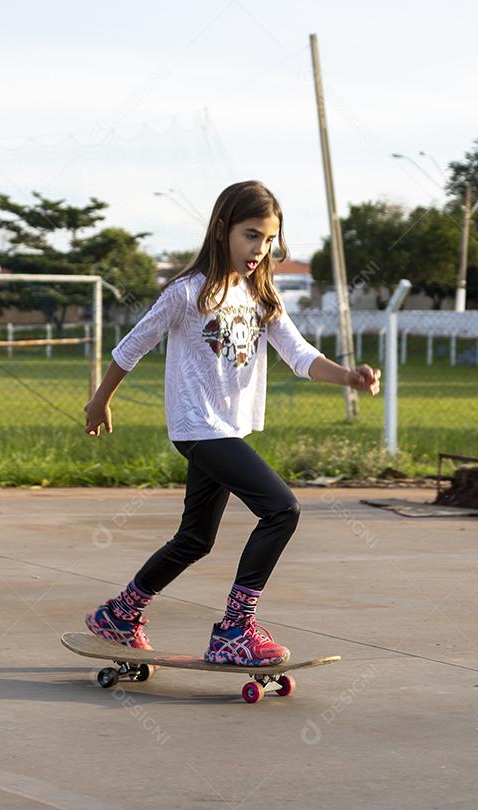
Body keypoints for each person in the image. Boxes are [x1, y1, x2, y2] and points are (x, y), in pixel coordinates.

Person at [82, 180, 380, 666]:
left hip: (226, 429)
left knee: (195, 538)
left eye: (268, 240)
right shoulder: (188, 292)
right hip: (198, 427)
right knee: (282, 509)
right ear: (222, 230)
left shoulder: (261, 296)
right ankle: (234, 630)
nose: (259, 250)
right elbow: (133, 344)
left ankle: (120, 614)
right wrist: (101, 401)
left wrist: (348, 376)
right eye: (250, 235)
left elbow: (300, 355)